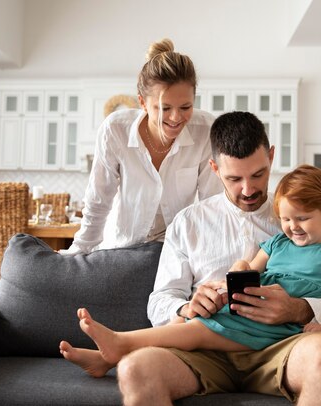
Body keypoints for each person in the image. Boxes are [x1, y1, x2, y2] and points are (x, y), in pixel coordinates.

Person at [62, 112, 321, 406]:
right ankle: (117, 350)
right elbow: (160, 300)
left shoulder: (298, 218)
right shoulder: (189, 223)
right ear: (214, 169)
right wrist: (186, 307)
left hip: (282, 345)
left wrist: (302, 308)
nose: (248, 189)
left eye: (258, 174)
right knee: (136, 369)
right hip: (205, 347)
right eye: (234, 178)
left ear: (271, 157)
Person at [59, 164, 321, 373]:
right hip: (247, 310)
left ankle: (120, 343)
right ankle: (107, 357)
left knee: (196, 333)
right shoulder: (278, 243)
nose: (292, 227)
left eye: (302, 218)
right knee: (191, 317)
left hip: (276, 328)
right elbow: (249, 268)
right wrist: (234, 276)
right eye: (286, 219)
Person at [61, 38, 221, 253]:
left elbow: (210, 205)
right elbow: (99, 201)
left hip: (175, 250)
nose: (175, 118)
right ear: (143, 103)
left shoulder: (206, 130)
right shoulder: (115, 129)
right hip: (120, 246)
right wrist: (78, 251)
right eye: (164, 108)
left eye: (185, 106)